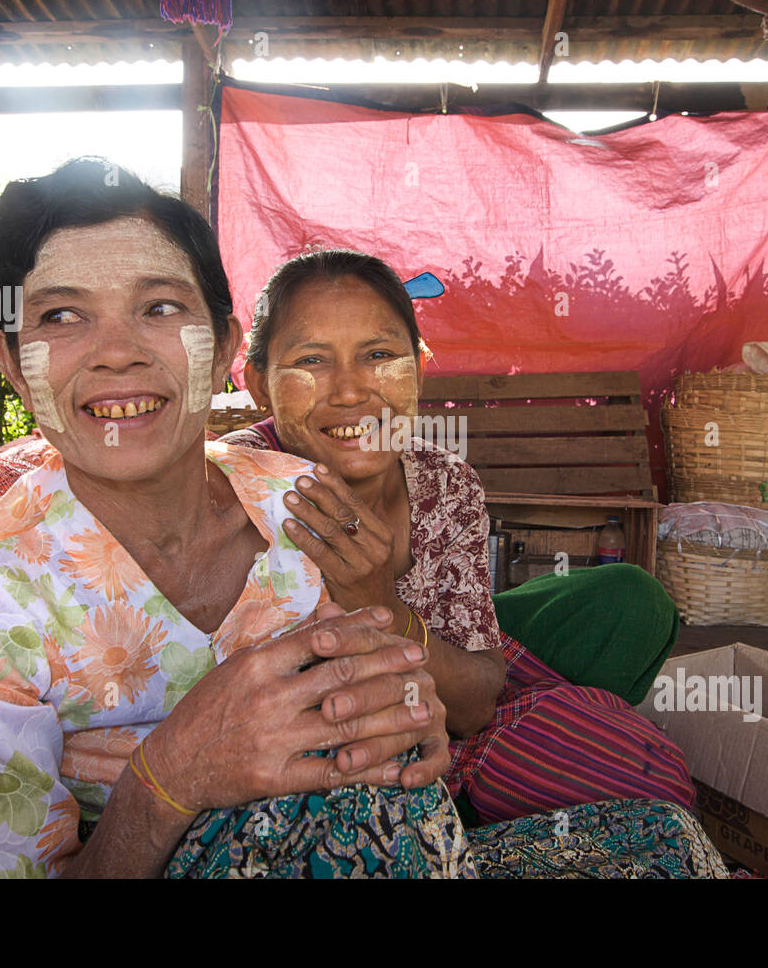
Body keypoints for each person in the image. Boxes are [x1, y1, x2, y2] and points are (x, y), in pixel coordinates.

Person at [0, 160, 469, 878]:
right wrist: (169, 773)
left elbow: (389, 700)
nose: (118, 353)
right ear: (13, 363)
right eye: (62, 316)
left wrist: (411, 714)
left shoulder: (305, 502)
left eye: (160, 307)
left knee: (653, 833)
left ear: (224, 347)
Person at [224, 249, 700, 827]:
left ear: (419, 369)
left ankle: (498, 773)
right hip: (328, 747)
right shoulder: (235, 488)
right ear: (258, 384)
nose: (350, 391)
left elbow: (475, 701)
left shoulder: (445, 482)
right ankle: (479, 795)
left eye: (379, 356)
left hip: (441, 683)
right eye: (311, 360)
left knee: (630, 602)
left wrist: (381, 605)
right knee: (623, 780)